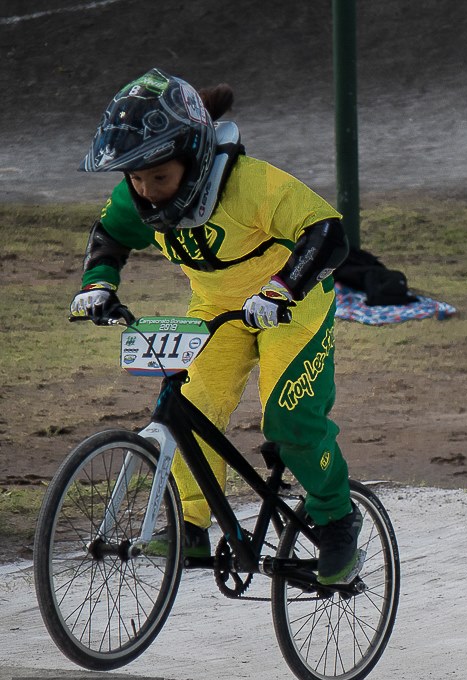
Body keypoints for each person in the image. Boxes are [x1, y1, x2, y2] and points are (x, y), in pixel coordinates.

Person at [69, 69, 363, 585]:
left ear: (194, 156)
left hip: (290, 303)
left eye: (158, 178)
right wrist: (98, 283)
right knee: (189, 409)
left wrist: (283, 287)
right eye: (135, 180)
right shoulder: (140, 194)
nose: (148, 193)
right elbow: (110, 234)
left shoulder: (252, 185)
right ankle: (191, 525)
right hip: (216, 308)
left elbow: (327, 233)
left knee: (289, 419)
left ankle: (338, 517)